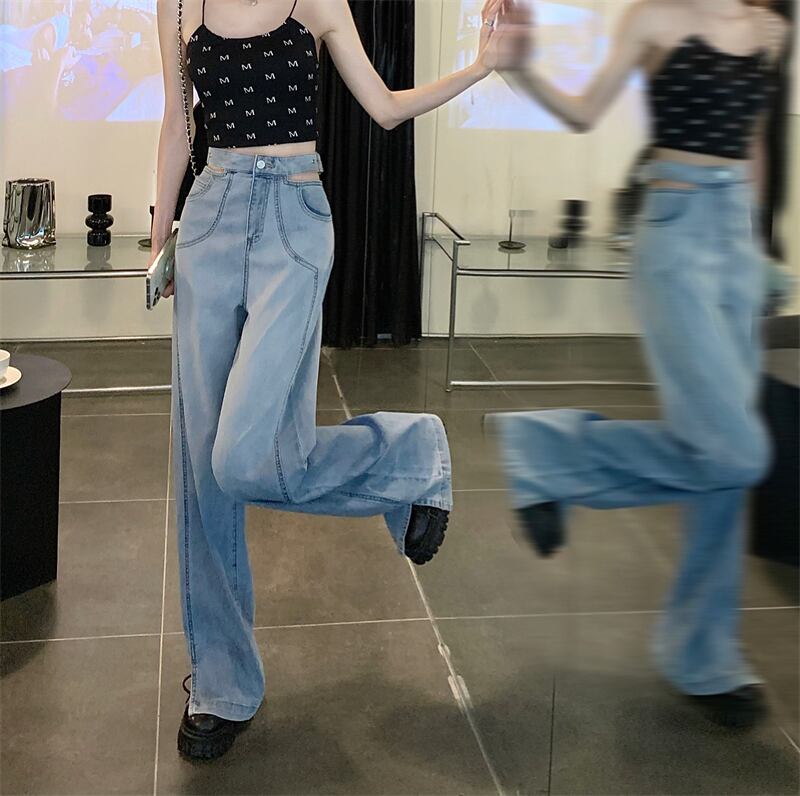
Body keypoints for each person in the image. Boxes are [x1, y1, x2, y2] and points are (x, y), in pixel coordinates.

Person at [150, 0, 502, 761]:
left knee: (245, 458)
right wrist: (159, 241)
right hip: (208, 220)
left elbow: (384, 108)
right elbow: (180, 125)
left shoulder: (317, 2)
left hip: (294, 220)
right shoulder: (175, 4)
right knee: (203, 472)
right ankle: (222, 684)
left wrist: (480, 67)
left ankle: (407, 454)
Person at [484, 0, 788, 728]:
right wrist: (522, 71)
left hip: (735, 247)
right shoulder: (654, 17)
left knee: (718, 465)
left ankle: (705, 658)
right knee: (736, 450)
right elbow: (585, 112)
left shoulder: (773, 32)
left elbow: (753, 146)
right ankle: (551, 450)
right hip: (675, 236)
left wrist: (760, 249)